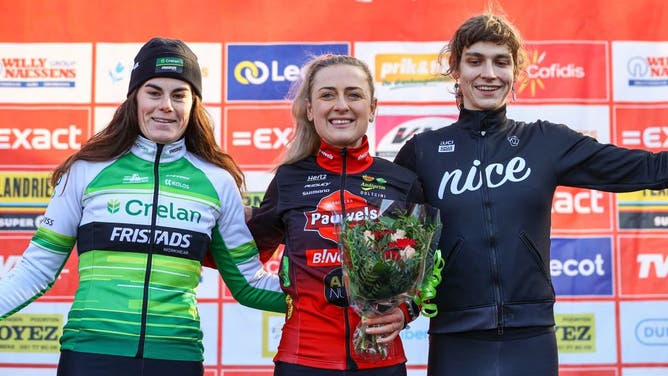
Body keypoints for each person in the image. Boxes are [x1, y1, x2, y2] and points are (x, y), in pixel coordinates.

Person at [393, 13, 668, 376]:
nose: (488, 73)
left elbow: (647, 169)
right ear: (456, 70)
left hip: (532, 336)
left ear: (515, 72)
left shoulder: (545, 141)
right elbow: (390, 244)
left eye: (501, 61)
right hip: (455, 336)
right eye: (475, 61)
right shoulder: (422, 151)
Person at [0, 37, 285, 376]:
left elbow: (250, 283)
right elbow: (36, 270)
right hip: (91, 352)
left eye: (179, 95)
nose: (166, 105)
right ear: (134, 98)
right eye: (154, 92)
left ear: (193, 104)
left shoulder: (217, 182)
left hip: (176, 355)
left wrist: (344, 293)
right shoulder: (87, 170)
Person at [247, 54, 424, 375]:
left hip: (381, 360)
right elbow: (243, 256)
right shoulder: (289, 179)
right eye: (328, 94)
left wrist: (408, 309)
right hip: (303, 359)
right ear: (310, 109)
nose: (341, 105)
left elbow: (430, 268)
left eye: (354, 94)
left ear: (372, 108)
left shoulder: (402, 181)